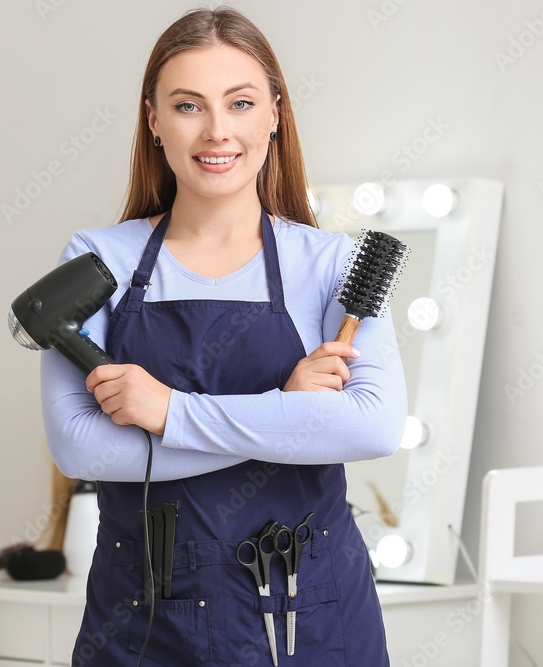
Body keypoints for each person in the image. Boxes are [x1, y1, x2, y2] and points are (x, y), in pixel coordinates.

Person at [40, 6, 407, 666]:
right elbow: (80, 447)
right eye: (188, 106)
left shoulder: (326, 263)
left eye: (240, 103)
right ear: (153, 120)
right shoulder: (100, 259)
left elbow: (373, 427)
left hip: (310, 616)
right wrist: (289, 409)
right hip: (142, 617)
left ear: (274, 112)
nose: (217, 131)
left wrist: (169, 412)